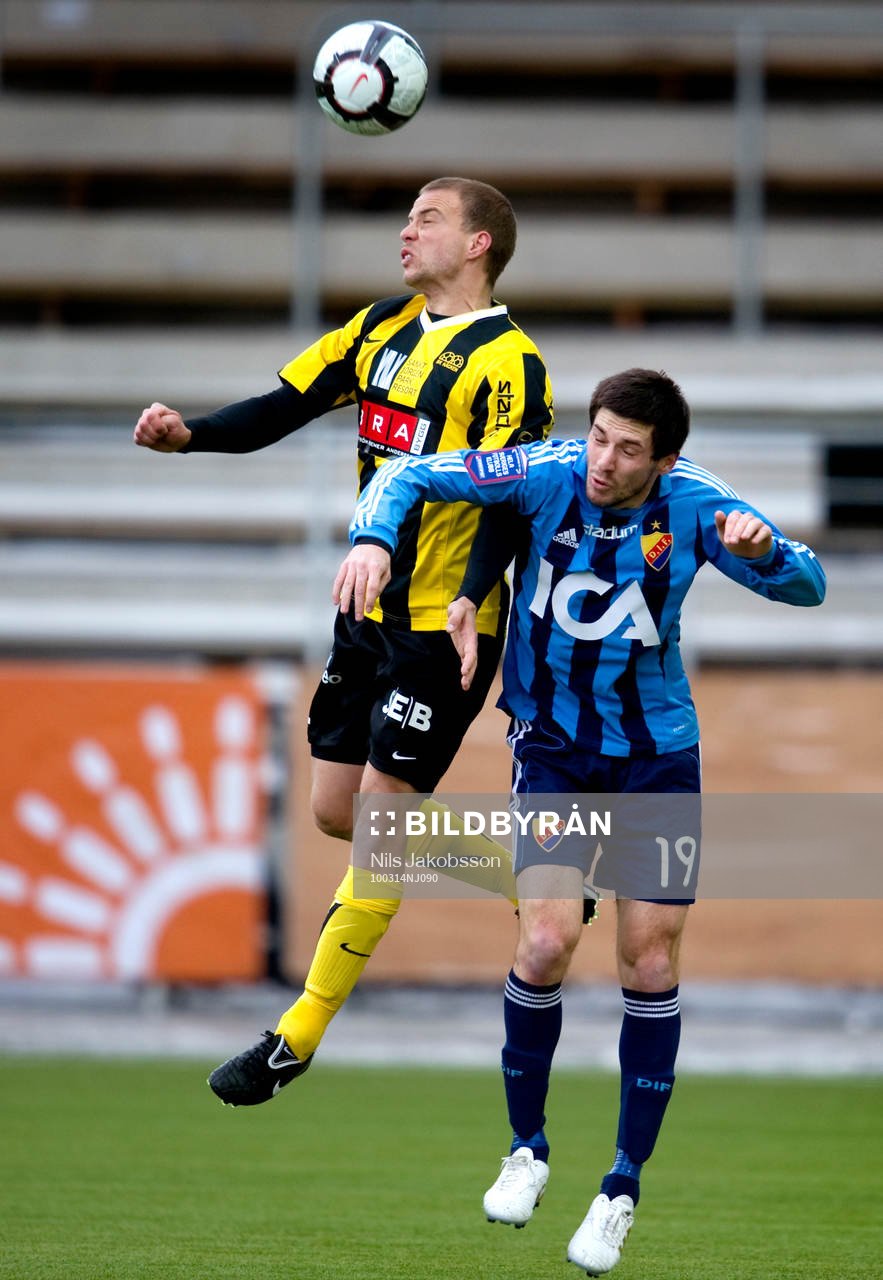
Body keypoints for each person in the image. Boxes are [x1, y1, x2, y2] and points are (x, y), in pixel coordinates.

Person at [333, 367, 826, 1274]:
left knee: (648, 959)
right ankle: (526, 1150)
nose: (604, 460)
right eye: (599, 435)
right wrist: (371, 537)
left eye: (627, 448)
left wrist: (761, 553)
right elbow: (408, 473)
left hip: (658, 762)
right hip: (555, 753)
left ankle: (621, 1187)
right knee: (545, 945)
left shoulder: (697, 505)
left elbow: (810, 586)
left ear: (664, 459)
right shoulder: (543, 469)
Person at [133, 177, 554, 1105]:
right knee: (339, 812)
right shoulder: (374, 331)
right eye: (406, 217)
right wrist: (188, 436)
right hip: (364, 610)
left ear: (479, 244)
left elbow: (514, 496)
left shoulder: (510, 364)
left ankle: (294, 1038)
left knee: (387, 822)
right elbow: (278, 406)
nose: (406, 231)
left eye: (429, 218)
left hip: (444, 622)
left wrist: (474, 595)